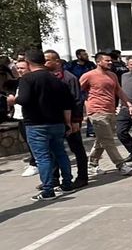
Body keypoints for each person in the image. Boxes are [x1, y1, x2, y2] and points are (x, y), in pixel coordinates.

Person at [12, 50, 75, 200]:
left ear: (28, 63)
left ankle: (48, 190)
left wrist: (13, 99)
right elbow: (67, 104)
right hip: (57, 122)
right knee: (60, 153)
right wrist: (68, 123)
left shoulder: (27, 79)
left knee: (42, 157)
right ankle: (67, 183)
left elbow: (24, 99)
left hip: (36, 124)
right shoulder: (56, 79)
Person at [79, 52, 132, 176]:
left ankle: (92, 165)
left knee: (102, 139)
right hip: (96, 112)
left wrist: (129, 105)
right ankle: (121, 165)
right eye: (107, 61)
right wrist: (84, 107)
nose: (110, 62)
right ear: (98, 62)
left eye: (110, 60)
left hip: (110, 111)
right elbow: (77, 91)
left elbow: (119, 91)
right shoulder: (88, 76)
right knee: (108, 140)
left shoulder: (112, 75)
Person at [44, 50, 88, 188]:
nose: (44, 63)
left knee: (76, 148)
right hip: (53, 120)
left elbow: (77, 101)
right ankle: (54, 178)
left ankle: (82, 177)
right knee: (53, 149)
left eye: (47, 60)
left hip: (70, 120)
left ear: (57, 61)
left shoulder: (69, 78)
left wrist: (75, 121)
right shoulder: (46, 77)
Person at [9, 59, 39, 177]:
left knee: (34, 142)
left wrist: (15, 100)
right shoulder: (19, 81)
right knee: (28, 141)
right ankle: (35, 161)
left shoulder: (32, 81)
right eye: (18, 68)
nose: (19, 70)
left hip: (31, 117)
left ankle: (35, 164)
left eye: (22, 68)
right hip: (20, 116)